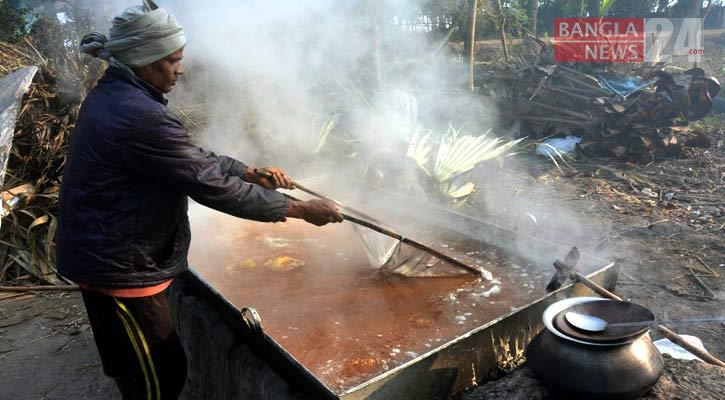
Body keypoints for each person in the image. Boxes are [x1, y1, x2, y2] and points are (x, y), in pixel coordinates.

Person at [56, 1, 343, 399]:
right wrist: (300, 210)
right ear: (143, 60)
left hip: (101, 246)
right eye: (172, 61)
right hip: (119, 264)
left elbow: (189, 156)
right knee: (163, 372)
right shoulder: (140, 115)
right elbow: (212, 187)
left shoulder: (119, 94)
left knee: (127, 360)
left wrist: (247, 171)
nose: (181, 69)